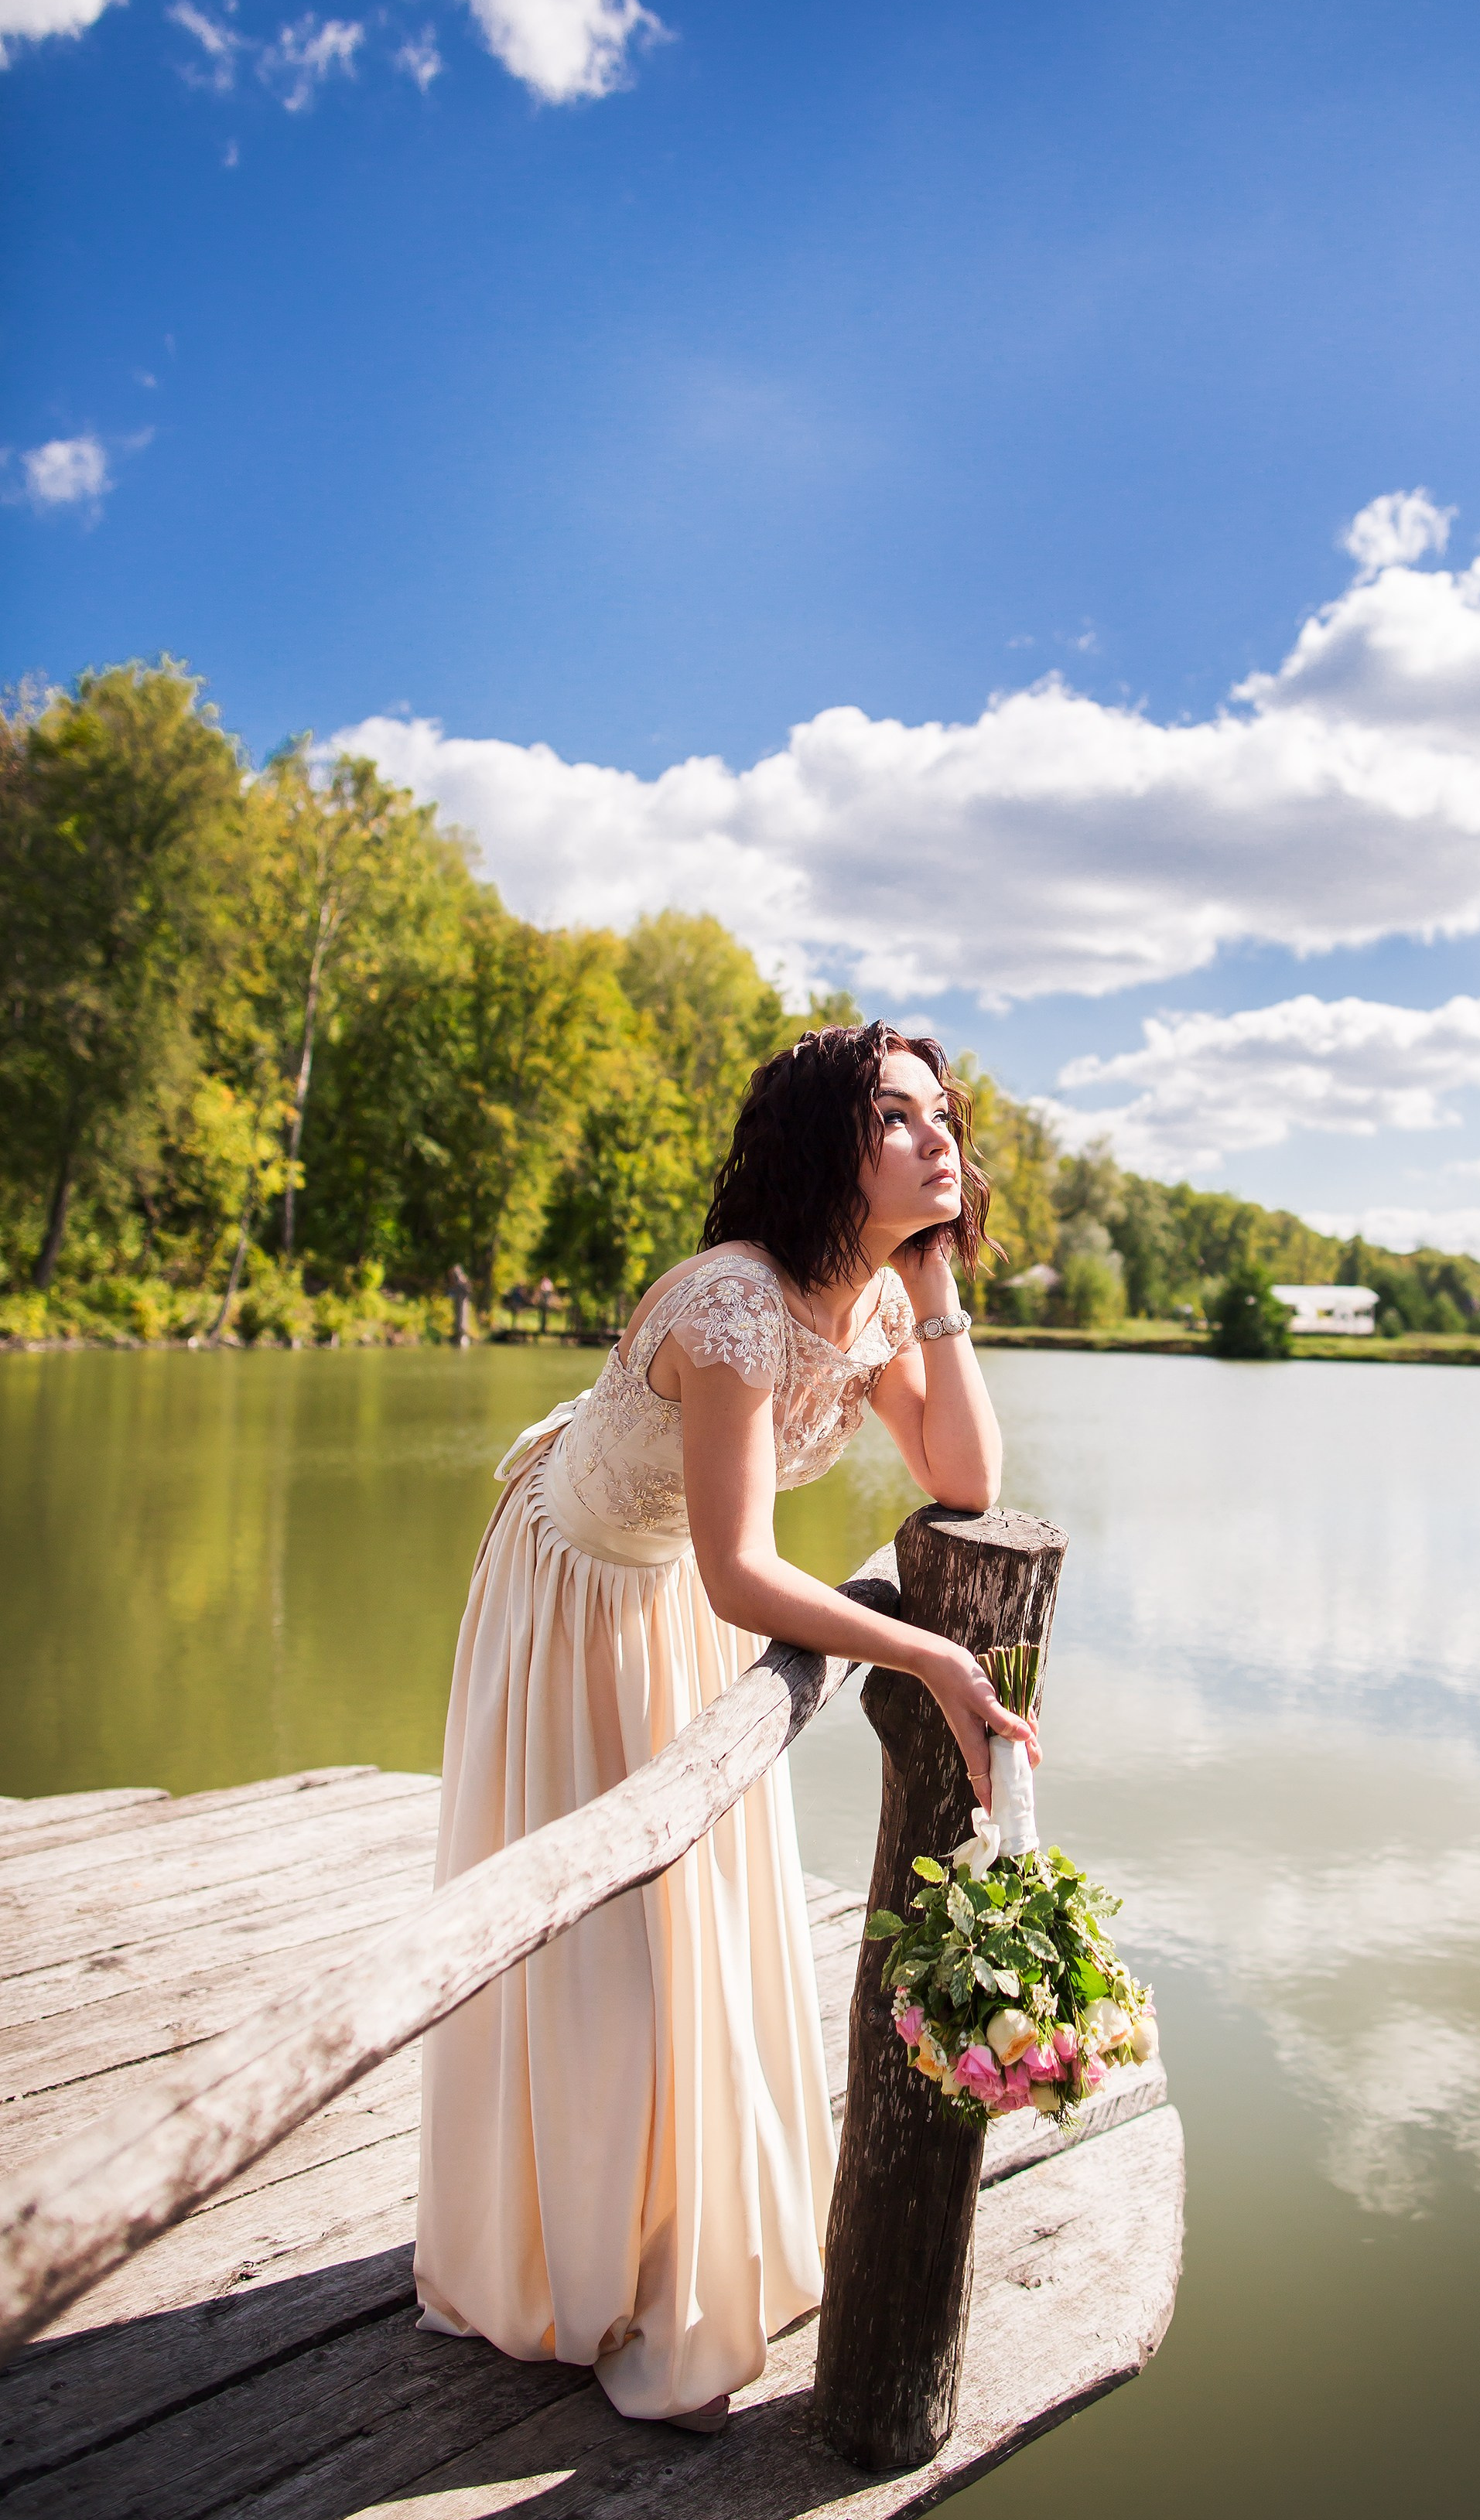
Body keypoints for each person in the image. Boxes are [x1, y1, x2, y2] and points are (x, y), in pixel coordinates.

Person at [414, 1023, 1034, 2433]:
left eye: (944, 1116)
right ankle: (575, 2267)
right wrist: (930, 1651)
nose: (937, 1137)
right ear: (827, 1141)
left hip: (674, 1586)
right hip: (577, 1590)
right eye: (897, 1115)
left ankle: (679, 2231)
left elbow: (964, 1471)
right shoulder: (734, 1302)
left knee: (692, 1924)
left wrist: (935, 1280)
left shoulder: (865, 1298)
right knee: (601, 1943)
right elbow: (745, 1571)